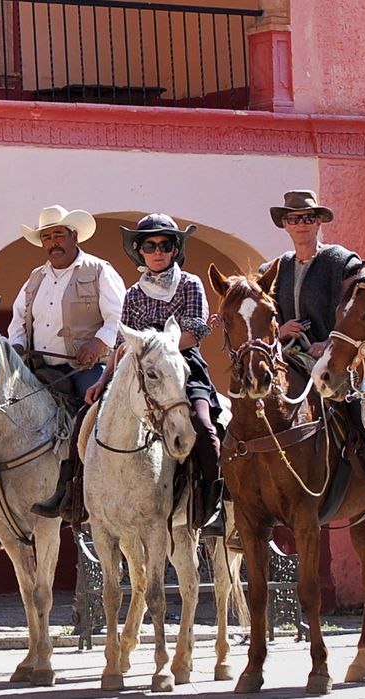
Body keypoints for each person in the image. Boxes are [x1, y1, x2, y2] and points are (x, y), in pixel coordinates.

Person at [262, 190, 365, 526]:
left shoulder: (342, 261)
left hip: (339, 359)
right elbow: (263, 314)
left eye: (308, 218)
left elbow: (360, 307)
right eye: (293, 219)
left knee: (361, 405)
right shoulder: (276, 269)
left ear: (318, 222)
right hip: (290, 358)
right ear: (285, 224)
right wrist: (280, 328)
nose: (301, 224)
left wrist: (328, 342)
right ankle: (245, 498)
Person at [84, 213, 228, 536]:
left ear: (175, 249)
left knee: (205, 428)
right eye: (150, 245)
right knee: (90, 422)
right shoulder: (133, 294)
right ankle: (77, 498)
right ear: (140, 251)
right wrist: (102, 380)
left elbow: (192, 334)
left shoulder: (191, 284)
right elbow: (122, 345)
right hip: (139, 376)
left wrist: (158, 347)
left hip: (184, 368)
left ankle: (213, 504)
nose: (158, 250)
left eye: (165, 244)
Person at [1, 205, 125, 540]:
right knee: (4, 419)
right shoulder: (35, 278)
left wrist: (97, 344)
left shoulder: (99, 270)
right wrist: (16, 349)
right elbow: (17, 321)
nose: (53, 242)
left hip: (88, 368)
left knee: (97, 420)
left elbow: (118, 317)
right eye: (47, 237)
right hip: (42, 368)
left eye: (59, 234)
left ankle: (98, 493)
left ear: (73, 236)